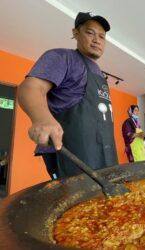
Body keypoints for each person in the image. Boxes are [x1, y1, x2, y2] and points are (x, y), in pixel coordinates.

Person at [17, 12, 118, 179]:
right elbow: (31, 87)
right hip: (72, 160)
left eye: (102, 36)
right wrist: (42, 119)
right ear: (75, 33)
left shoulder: (100, 74)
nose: (97, 40)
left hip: (106, 157)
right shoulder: (63, 58)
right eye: (90, 33)